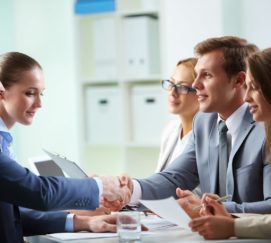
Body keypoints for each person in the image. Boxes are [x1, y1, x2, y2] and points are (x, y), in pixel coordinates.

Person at [112, 36, 271, 216]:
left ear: (238, 81)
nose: (195, 85)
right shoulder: (204, 121)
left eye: (207, 75)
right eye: (197, 75)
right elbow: (174, 178)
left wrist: (207, 209)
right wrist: (129, 189)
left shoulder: (265, 126)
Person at [0, 52, 128, 243]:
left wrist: (83, 222)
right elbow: (38, 191)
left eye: (41, 93)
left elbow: (11, 216)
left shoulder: (5, 140)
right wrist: (101, 186)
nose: (39, 103)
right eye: (30, 93)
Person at [189, 47, 271, 240]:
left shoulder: (260, 133)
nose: (246, 97)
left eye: (255, 87)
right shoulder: (203, 122)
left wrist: (232, 225)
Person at [156, 58, 199, 172]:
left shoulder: (207, 137)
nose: (172, 92)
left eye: (182, 87)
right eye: (171, 83)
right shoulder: (170, 130)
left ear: (200, 92)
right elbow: (158, 177)